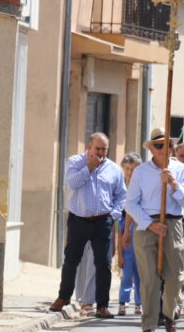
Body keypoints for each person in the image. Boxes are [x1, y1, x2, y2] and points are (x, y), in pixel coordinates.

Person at [49, 133, 126, 319]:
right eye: (97, 149)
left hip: (102, 221)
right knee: (71, 261)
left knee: (103, 264)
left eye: (104, 149)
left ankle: (102, 305)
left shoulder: (114, 169)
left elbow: (121, 195)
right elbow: (72, 183)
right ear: (89, 147)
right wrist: (89, 168)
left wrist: (114, 214)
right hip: (79, 220)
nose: (100, 153)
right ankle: (63, 298)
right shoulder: (76, 161)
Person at [125, 128, 184, 332]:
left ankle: (170, 314)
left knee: (174, 276)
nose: (164, 149)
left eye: (168, 145)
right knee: (149, 280)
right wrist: (150, 224)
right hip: (147, 225)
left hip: (173, 223)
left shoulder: (181, 170)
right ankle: (149, 324)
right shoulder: (141, 171)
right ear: (152, 149)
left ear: (173, 147)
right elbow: (130, 203)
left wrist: (173, 183)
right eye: (158, 145)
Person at [118, 152, 143, 316]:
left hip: (139, 226)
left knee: (140, 269)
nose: (130, 172)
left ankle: (139, 303)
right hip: (122, 226)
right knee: (126, 268)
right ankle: (122, 301)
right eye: (127, 168)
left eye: (133, 169)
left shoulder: (141, 186)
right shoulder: (120, 187)